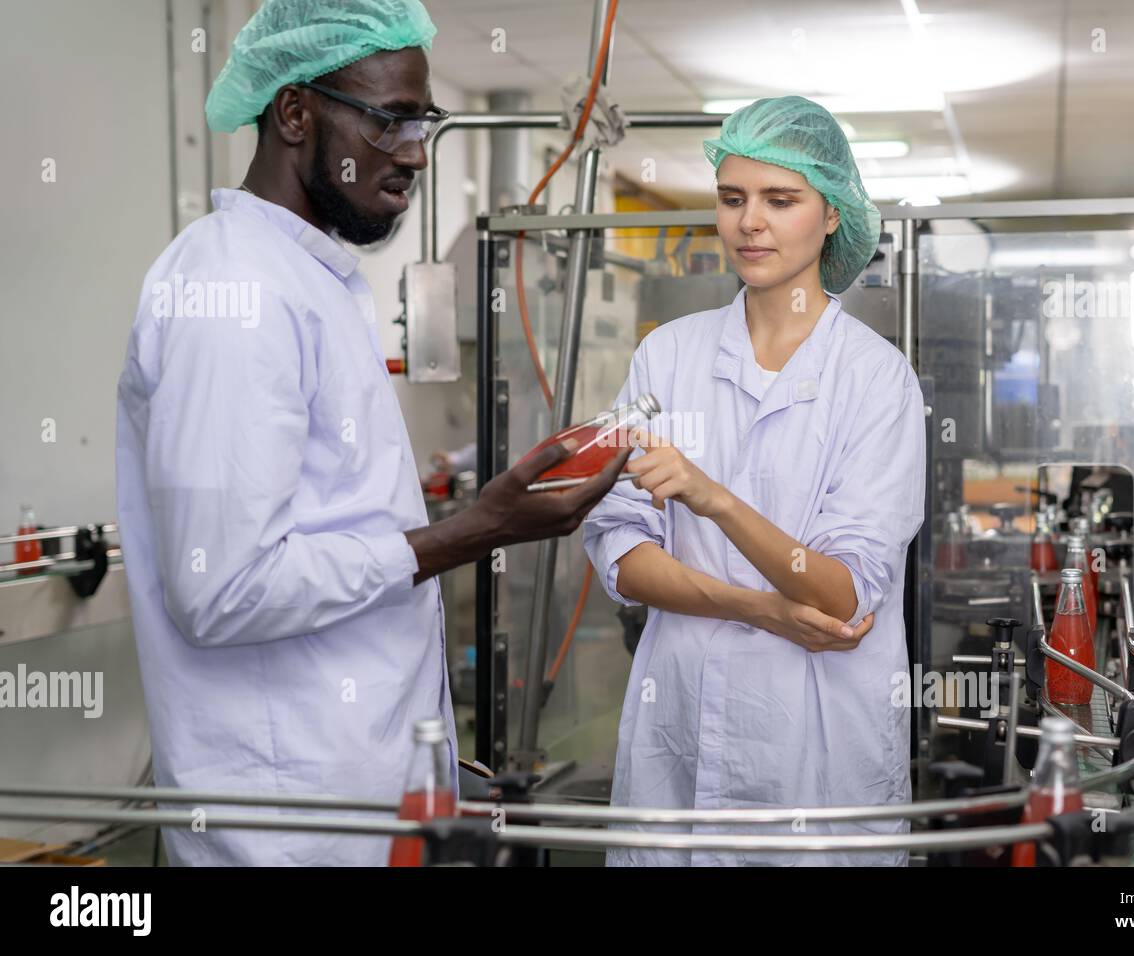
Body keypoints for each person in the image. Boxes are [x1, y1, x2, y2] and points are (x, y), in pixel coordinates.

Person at [115, 0, 628, 866]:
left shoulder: (308, 281)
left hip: (353, 806)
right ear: (293, 113)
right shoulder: (235, 295)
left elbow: (335, 541)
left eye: (423, 120)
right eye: (389, 119)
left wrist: (425, 763)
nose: (415, 152)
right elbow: (220, 590)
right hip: (284, 833)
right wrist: (475, 530)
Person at [583, 96, 926, 866]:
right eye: (732, 199)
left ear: (832, 214)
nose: (750, 223)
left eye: (781, 200)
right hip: (681, 730)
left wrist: (713, 499)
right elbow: (619, 549)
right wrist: (760, 608)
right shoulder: (666, 356)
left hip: (817, 749)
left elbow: (841, 596)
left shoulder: (876, 380)